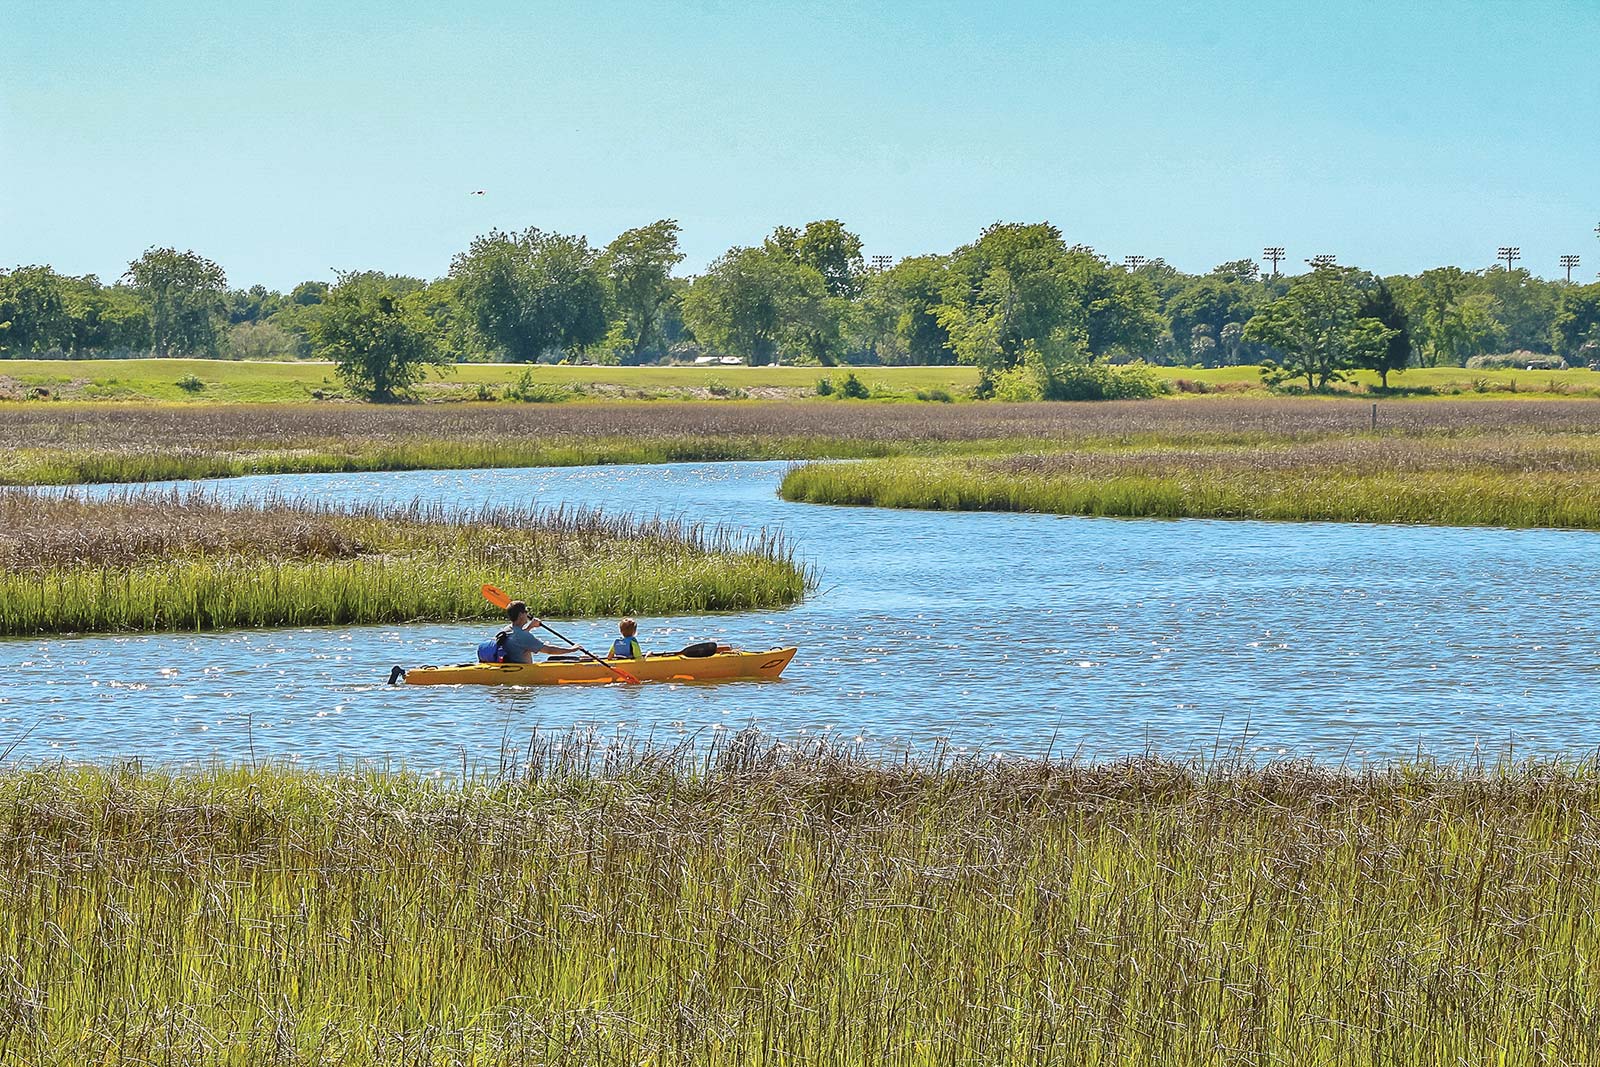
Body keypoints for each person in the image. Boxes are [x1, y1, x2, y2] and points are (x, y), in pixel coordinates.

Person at [499, 601, 580, 664]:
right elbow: (549, 650)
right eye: (526, 611)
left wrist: (530, 627)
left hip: (513, 666)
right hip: (526, 671)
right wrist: (572, 649)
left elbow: (518, 639)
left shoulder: (506, 630)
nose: (527, 614)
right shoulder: (523, 636)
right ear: (521, 615)